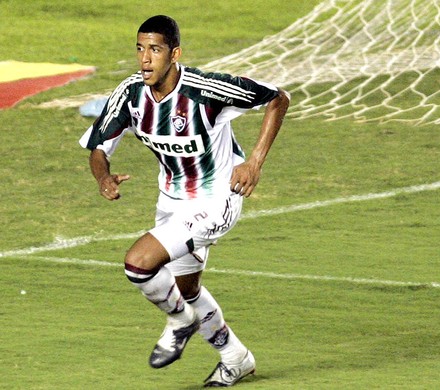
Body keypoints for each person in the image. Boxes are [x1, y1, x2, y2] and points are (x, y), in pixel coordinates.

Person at [79, 15, 290, 387]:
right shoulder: (130, 95)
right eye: (140, 49)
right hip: (172, 199)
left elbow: (277, 98)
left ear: (174, 54)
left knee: (139, 264)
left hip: (218, 198)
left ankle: (180, 322)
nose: (145, 59)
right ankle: (235, 357)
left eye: (155, 50)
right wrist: (103, 176)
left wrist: (254, 162)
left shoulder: (206, 90)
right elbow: (98, 147)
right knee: (187, 290)